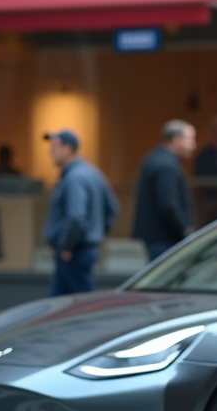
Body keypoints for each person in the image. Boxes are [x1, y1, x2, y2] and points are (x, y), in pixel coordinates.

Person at [42, 130, 119, 296]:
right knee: (60, 302)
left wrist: (66, 244)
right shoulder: (92, 173)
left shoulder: (74, 178)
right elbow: (112, 210)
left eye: (55, 147)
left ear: (68, 148)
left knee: (82, 304)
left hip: (74, 252)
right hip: (81, 249)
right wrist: (95, 234)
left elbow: (76, 216)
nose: (50, 152)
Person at [132, 119, 196, 261]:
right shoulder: (165, 165)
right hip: (165, 240)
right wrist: (184, 230)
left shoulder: (157, 159)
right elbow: (168, 205)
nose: (193, 145)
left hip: (159, 239)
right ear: (177, 140)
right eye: (190, 139)